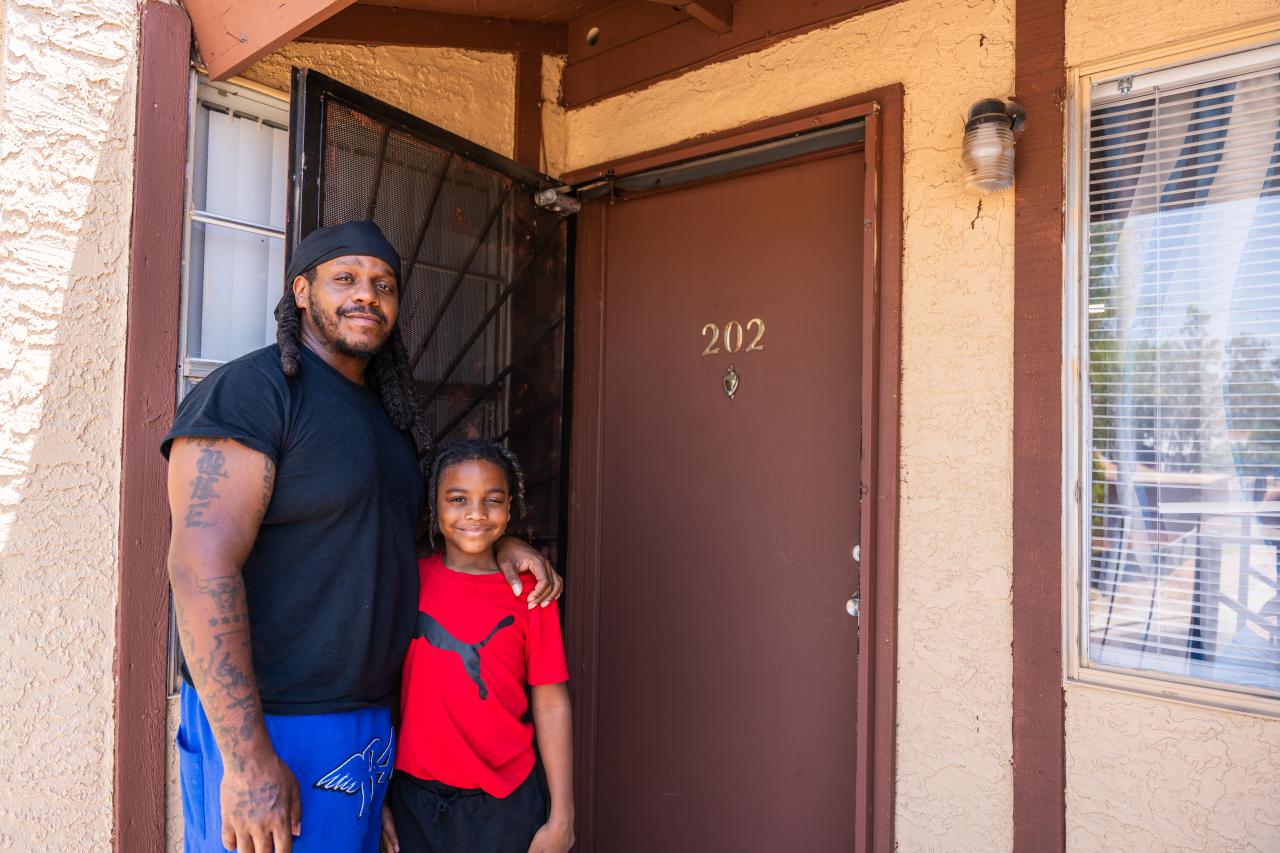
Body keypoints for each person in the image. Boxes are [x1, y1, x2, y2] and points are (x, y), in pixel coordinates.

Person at [163, 220, 562, 853]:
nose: (366, 296)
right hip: (275, 724)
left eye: (383, 285)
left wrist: (501, 546)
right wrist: (245, 759)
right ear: (301, 291)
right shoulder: (254, 393)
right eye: (345, 278)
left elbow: (388, 546)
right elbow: (200, 568)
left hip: (369, 723)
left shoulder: (390, 420)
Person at [380, 440, 573, 853]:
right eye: (458, 498)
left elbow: (551, 700)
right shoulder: (409, 581)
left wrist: (563, 817)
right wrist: (378, 791)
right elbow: (383, 687)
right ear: (435, 506)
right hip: (415, 798)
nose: (475, 513)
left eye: (493, 500)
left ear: (510, 508)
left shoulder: (530, 593)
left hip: (506, 803)